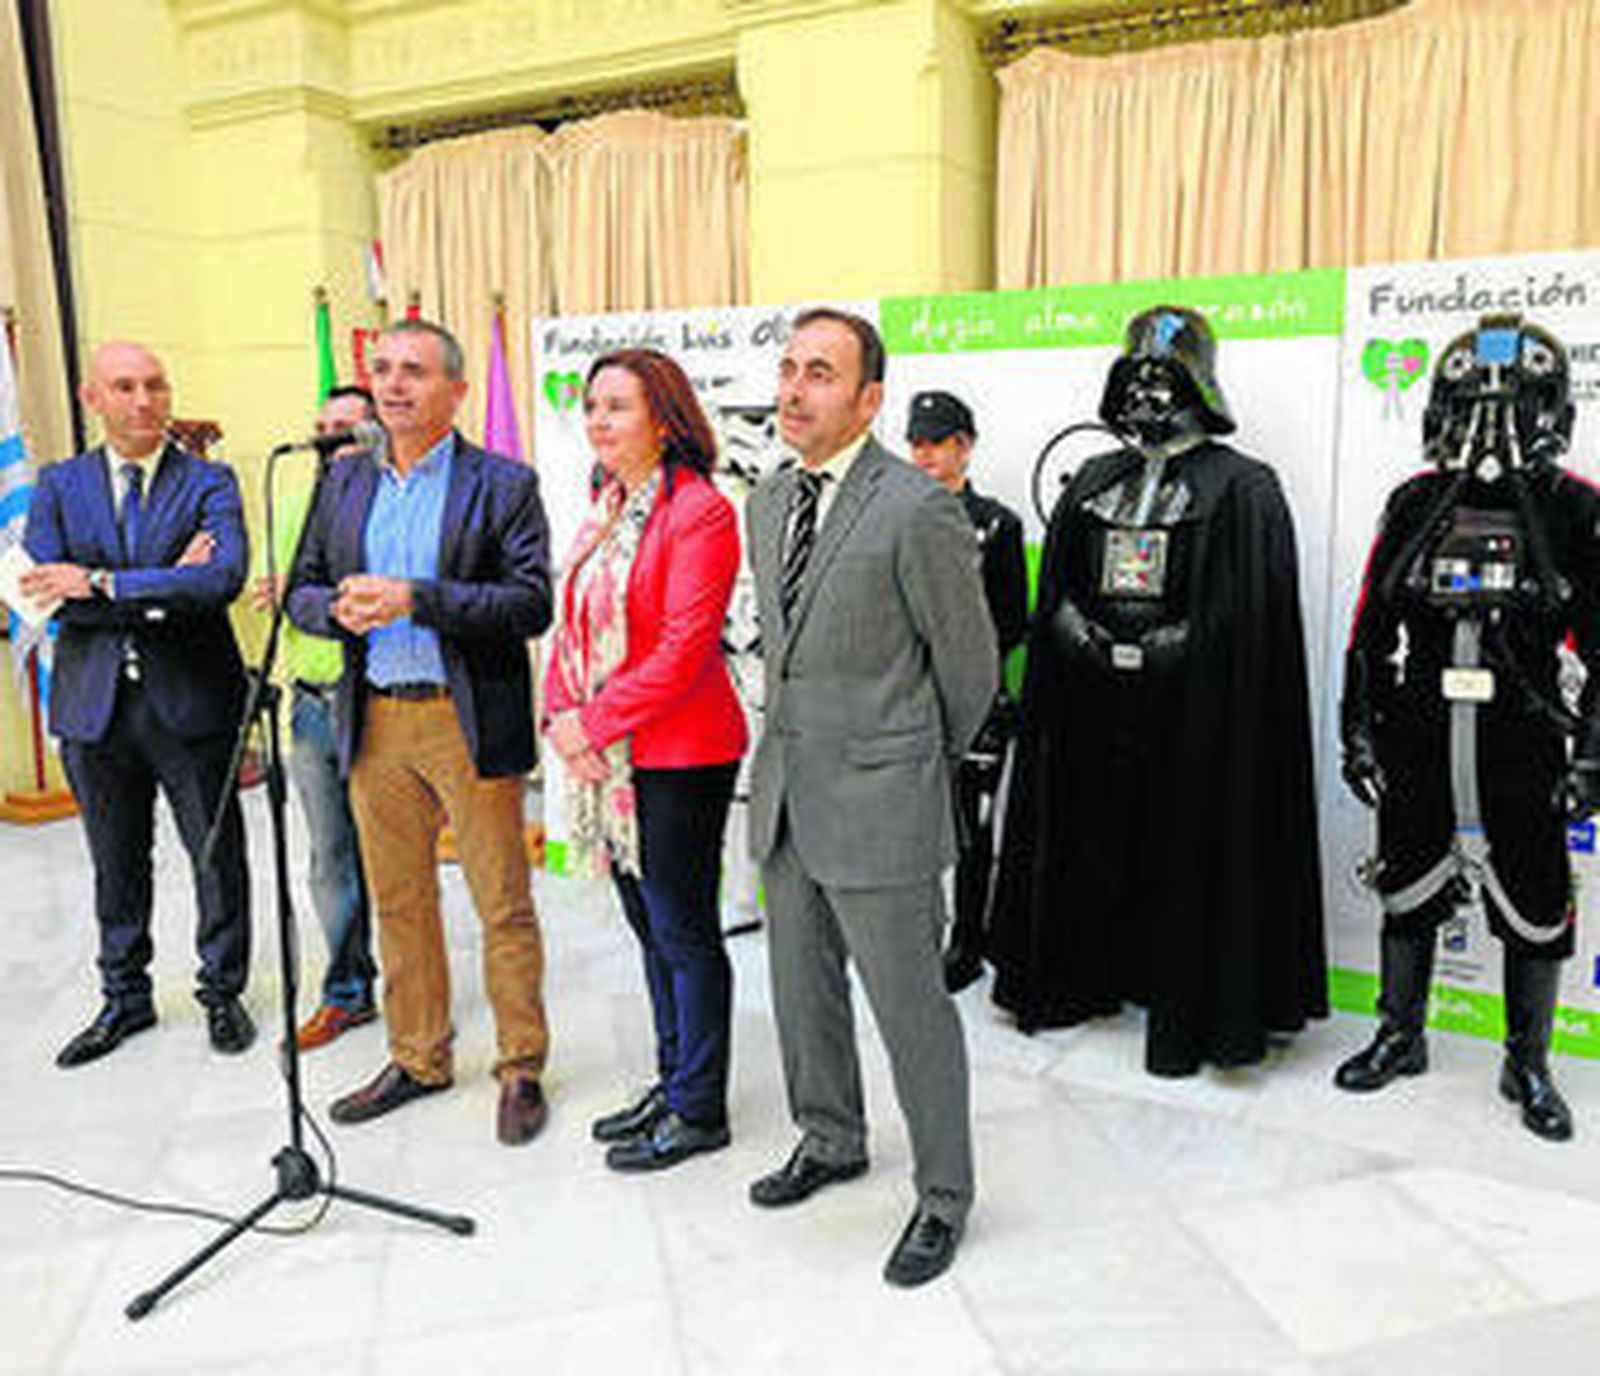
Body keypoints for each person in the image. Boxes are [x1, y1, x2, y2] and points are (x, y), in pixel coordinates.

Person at [988, 305, 1327, 1076]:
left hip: (1201, 718)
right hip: (1093, 705)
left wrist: (1182, 645)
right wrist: (1082, 635)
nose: (1146, 392)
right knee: (1091, 836)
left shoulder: (1243, 487)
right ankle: (1083, 974)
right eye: (1134, 375)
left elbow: (1252, 615)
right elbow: (1060, 590)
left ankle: (1196, 998)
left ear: (1198, 380)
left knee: (1193, 848)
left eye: (1163, 376)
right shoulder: (1095, 480)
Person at [745, 309, 996, 1288]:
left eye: (820, 371)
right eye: (788, 368)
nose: (795, 388)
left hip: (883, 802)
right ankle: (830, 1136)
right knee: (802, 996)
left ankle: (943, 1196)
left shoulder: (915, 505)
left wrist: (906, 765)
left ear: (868, 397)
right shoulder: (766, 502)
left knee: (910, 1010)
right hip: (787, 794)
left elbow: (968, 669)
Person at [287, 319, 554, 1146]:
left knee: (501, 901)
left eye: (414, 371)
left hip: (462, 715)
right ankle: (418, 1056)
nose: (393, 385)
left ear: (457, 391)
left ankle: (520, 1066)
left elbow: (529, 602)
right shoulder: (342, 480)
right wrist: (335, 609)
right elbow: (301, 587)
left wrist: (416, 599)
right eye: (384, 370)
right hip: (372, 716)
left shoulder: (503, 482)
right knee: (399, 901)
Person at [1335, 314, 1600, 1142]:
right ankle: (1400, 1033)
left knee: (1536, 899)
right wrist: (1358, 728)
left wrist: (1591, 758)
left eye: (1513, 401)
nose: (1493, 423)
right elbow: (1369, 629)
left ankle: (1527, 1060)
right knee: (1406, 882)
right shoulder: (1416, 501)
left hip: (1521, 736)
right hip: (1418, 729)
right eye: (1474, 401)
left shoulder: (1571, 508)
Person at [21, 341, 255, 1066]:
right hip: (93, 706)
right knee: (115, 862)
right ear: (94, 398)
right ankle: (125, 999)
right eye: (124, 386)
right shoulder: (59, 486)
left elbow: (220, 580)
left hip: (191, 699)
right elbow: (41, 592)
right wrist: (159, 583)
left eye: (156, 384)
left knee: (215, 855)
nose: (145, 399)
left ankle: (222, 992)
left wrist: (99, 583)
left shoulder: (209, 481)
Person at [544, 348, 747, 1172]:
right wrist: (563, 712)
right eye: (592, 406)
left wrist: (587, 724)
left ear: (663, 419)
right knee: (646, 927)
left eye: (617, 407)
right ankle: (674, 1079)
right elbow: (572, 624)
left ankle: (701, 1108)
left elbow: (682, 653)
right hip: (613, 751)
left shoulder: (700, 511)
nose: (598, 420)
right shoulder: (606, 504)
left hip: (682, 753)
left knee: (683, 931)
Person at [252, 385, 379, 1050]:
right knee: (330, 856)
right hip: (308, 703)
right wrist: (287, 595)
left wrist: (312, 595)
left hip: (377, 702)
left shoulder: (390, 500)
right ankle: (347, 991)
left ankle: (418, 993)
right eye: (322, 427)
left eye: (345, 429)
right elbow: (278, 591)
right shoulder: (292, 501)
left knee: (394, 860)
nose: (329, 440)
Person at [905, 391, 1029, 993]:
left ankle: (968, 943)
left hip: (977, 702)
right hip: (905, 704)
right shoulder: (892, 517)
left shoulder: (998, 523)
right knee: (909, 827)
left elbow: (1010, 620)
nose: (925, 453)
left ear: (965, 445)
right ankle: (912, 935)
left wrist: (965, 679)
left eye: (938, 441)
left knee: (971, 828)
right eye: (917, 441)